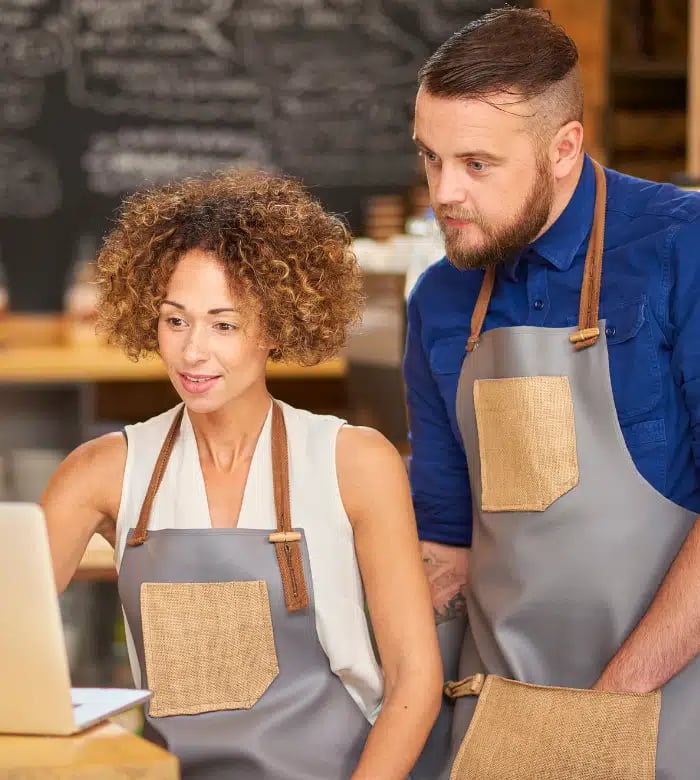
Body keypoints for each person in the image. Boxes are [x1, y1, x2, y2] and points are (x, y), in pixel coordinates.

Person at [41, 169, 442, 779]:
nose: (193, 351)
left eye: (224, 324)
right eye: (175, 320)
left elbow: (416, 678)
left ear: (276, 326)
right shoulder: (101, 473)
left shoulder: (354, 463)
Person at [405, 6, 700, 779]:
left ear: (564, 147)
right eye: (430, 159)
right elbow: (446, 540)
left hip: (669, 712)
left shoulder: (681, 250)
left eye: (476, 164)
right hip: (503, 720)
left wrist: (603, 714)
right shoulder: (441, 299)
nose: (445, 193)